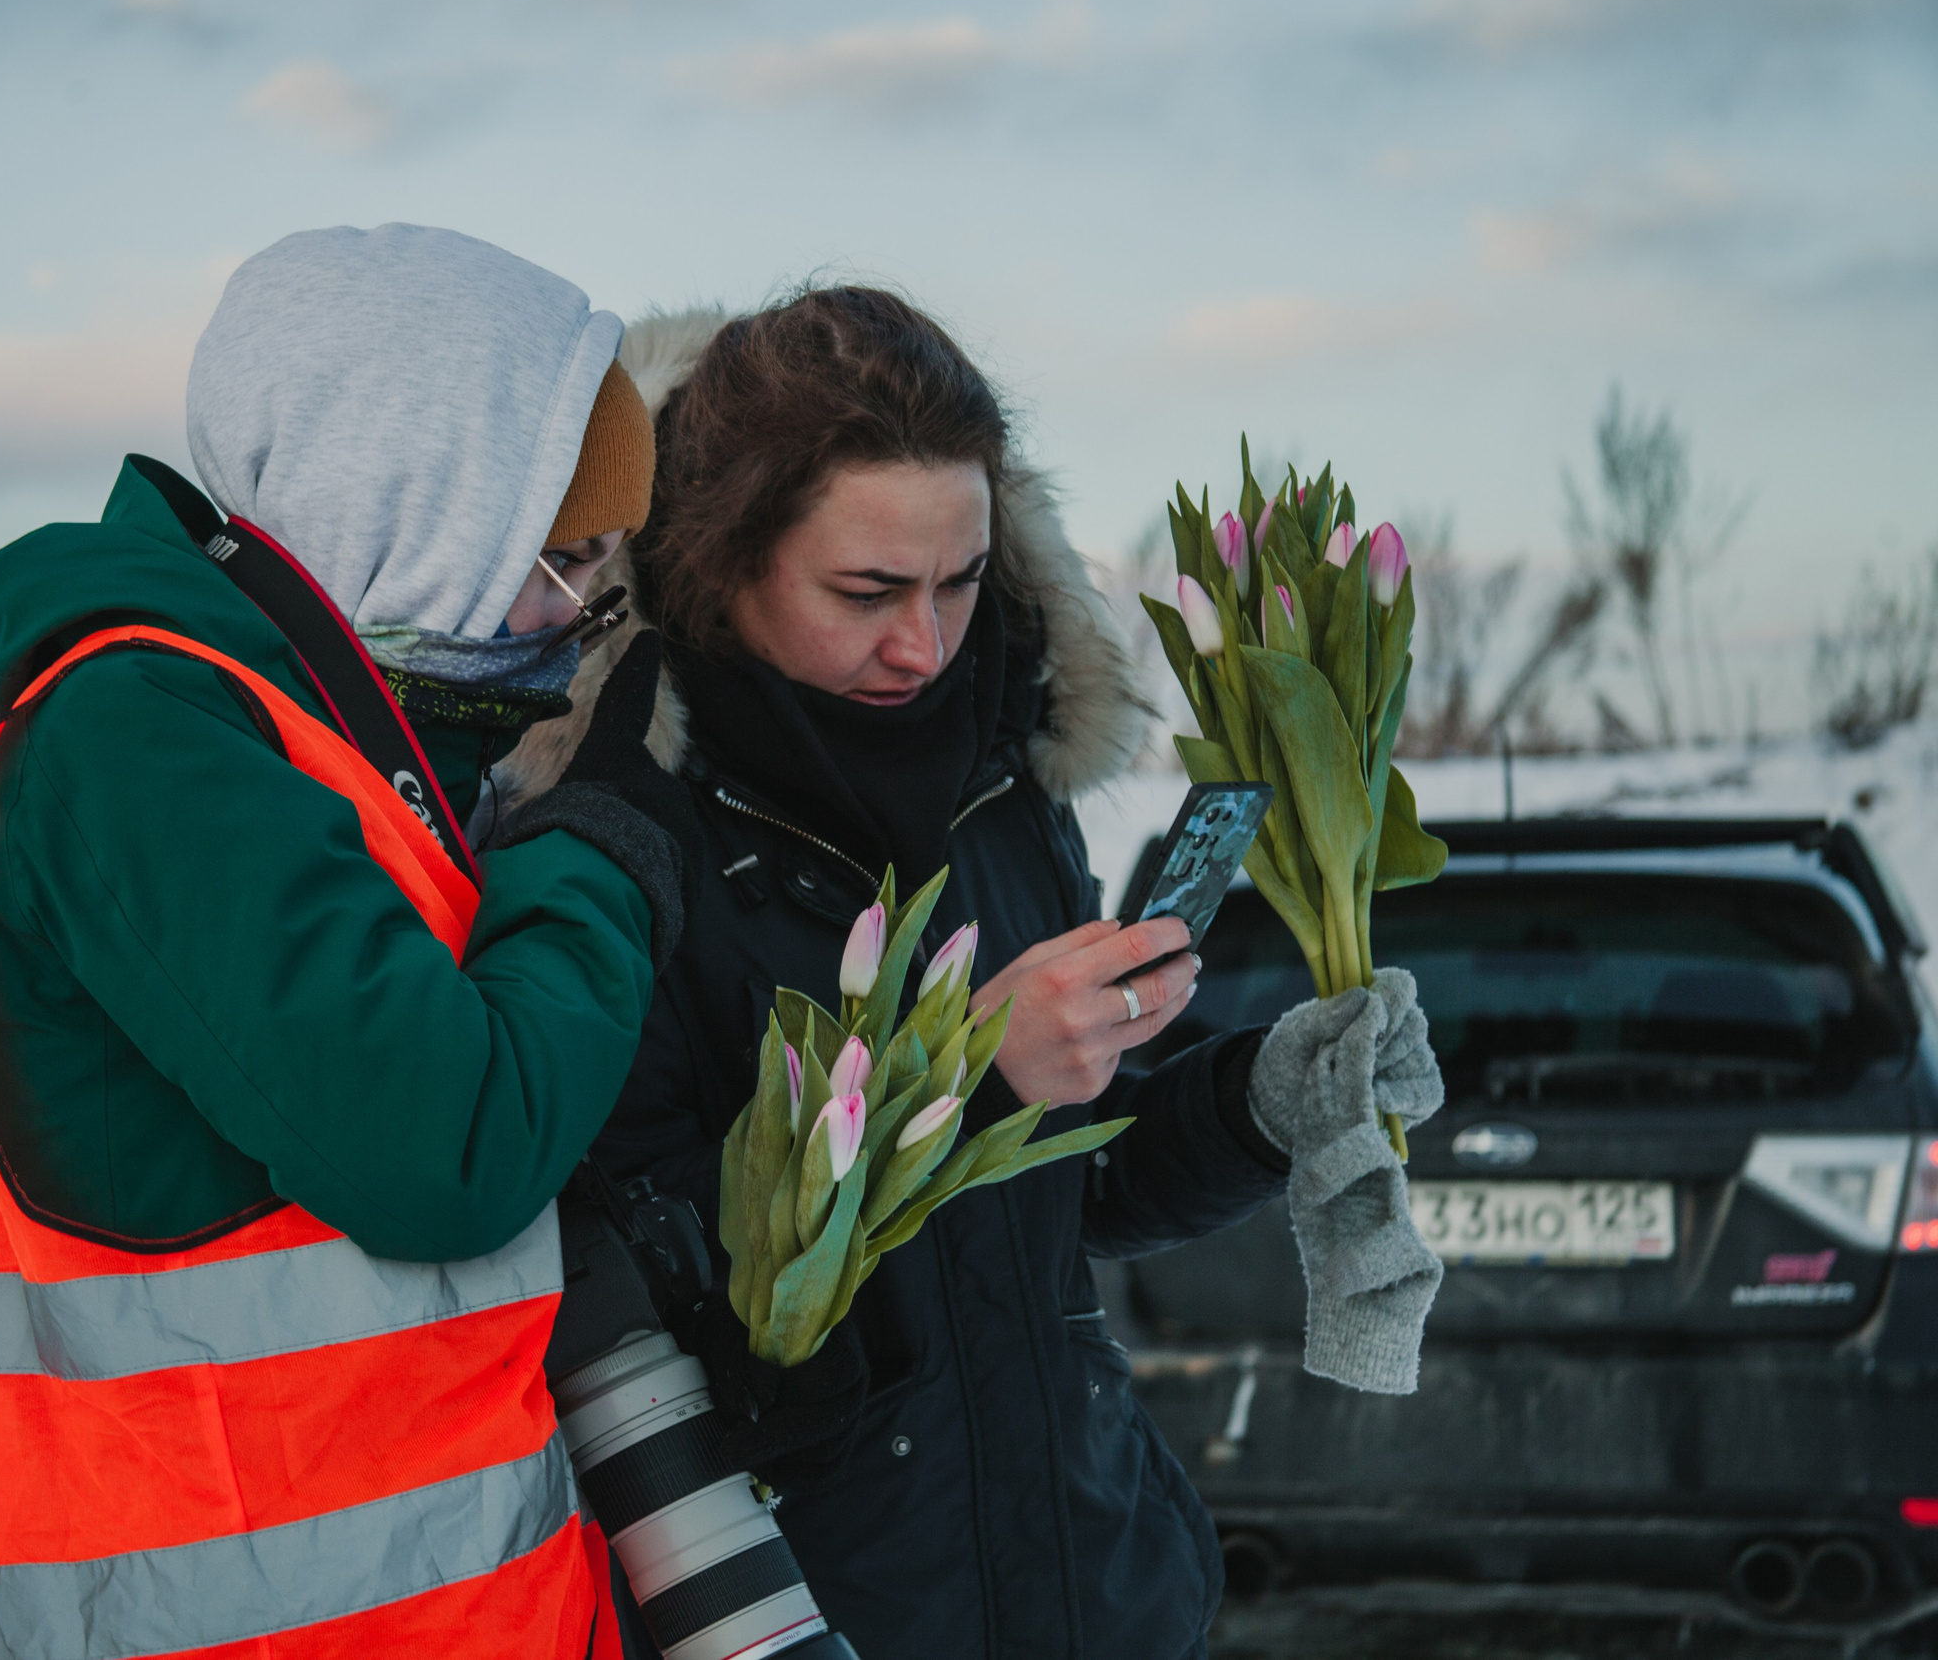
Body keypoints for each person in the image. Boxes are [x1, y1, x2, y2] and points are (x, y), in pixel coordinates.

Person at [508, 288, 1441, 1659]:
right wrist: (949, 1069)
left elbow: (1082, 1184)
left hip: (1096, 1584)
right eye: (867, 592)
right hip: (819, 1615)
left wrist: (1259, 1101)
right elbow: (625, 1272)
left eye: (959, 581)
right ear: (722, 560)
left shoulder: (1003, 784)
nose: (926, 645)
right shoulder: (619, 832)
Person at [0, 225, 700, 1660]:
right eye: (560, 556)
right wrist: (596, 849)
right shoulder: (140, 744)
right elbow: (448, 1146)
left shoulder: (334, 763)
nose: (575, 616)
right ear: (417, 501)